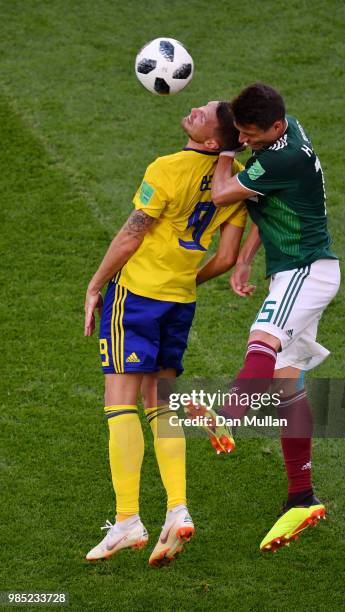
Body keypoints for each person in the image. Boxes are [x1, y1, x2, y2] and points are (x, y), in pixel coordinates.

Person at [83, 101, 246, 567]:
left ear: (213, 142)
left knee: (120, 402)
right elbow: (227, 257)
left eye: (206, 113)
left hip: (136, 295)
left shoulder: (167, 167)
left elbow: (134, 234)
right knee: (161, 403)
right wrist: (181, 281)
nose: (195, 108)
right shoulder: (233, 185)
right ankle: (177, 507)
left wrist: (96, 285)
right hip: (179, 301)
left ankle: (128, 519)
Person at [196, 83, 340, 553]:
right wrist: (245, 259)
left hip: (306, 270)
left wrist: (226, 150)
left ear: (275, 127)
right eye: (241, 133)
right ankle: (302, 496)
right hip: (298, 270)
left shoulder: (281, 156)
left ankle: (229, 414)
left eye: (253, 135)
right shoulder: (285, 131)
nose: (247, 141)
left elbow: (222, 195)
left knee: (263, 337)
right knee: (286, 385)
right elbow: (270, 204)